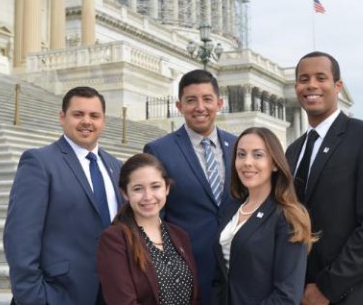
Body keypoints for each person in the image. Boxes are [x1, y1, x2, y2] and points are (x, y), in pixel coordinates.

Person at [285, 51, 363, 305]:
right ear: (296, 88)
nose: (311, 85)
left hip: (353, 293)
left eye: (320, 78)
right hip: (301, 293)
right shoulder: (293, 151)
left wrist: (327, 288)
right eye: (304, 79)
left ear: (338, 86)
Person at [3, 86, 124, 305]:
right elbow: (20, 237)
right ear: (62, 117)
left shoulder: (116, 167)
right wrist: (35, 298)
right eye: (78, 114)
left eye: (94, 115)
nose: (87, 121)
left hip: (111, 294)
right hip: (59, 295)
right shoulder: (39, 162)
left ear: (103, 121)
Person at [144, 69, 237, 303]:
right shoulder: (159, 151)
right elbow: (153, 219)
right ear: (179, 105)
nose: (200, 107)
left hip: (238, 270)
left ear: (219, 103)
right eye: (191, 100)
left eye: (207, 99)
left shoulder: (238, 146)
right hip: (188, 274)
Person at [213, 127, 314, 305]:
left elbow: (287, 295)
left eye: (258, 155)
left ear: (275, 163)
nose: (247, 162)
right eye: (241, 154)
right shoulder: (230, 210)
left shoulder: (288, 216)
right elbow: (220, 278)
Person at [97, 153, 199, 305]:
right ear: (125, 193)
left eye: (155, 186)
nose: (148, 196)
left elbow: (195, 297)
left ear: (167, 188)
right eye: (138, 189)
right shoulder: (115, 239)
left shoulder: (180, 236)